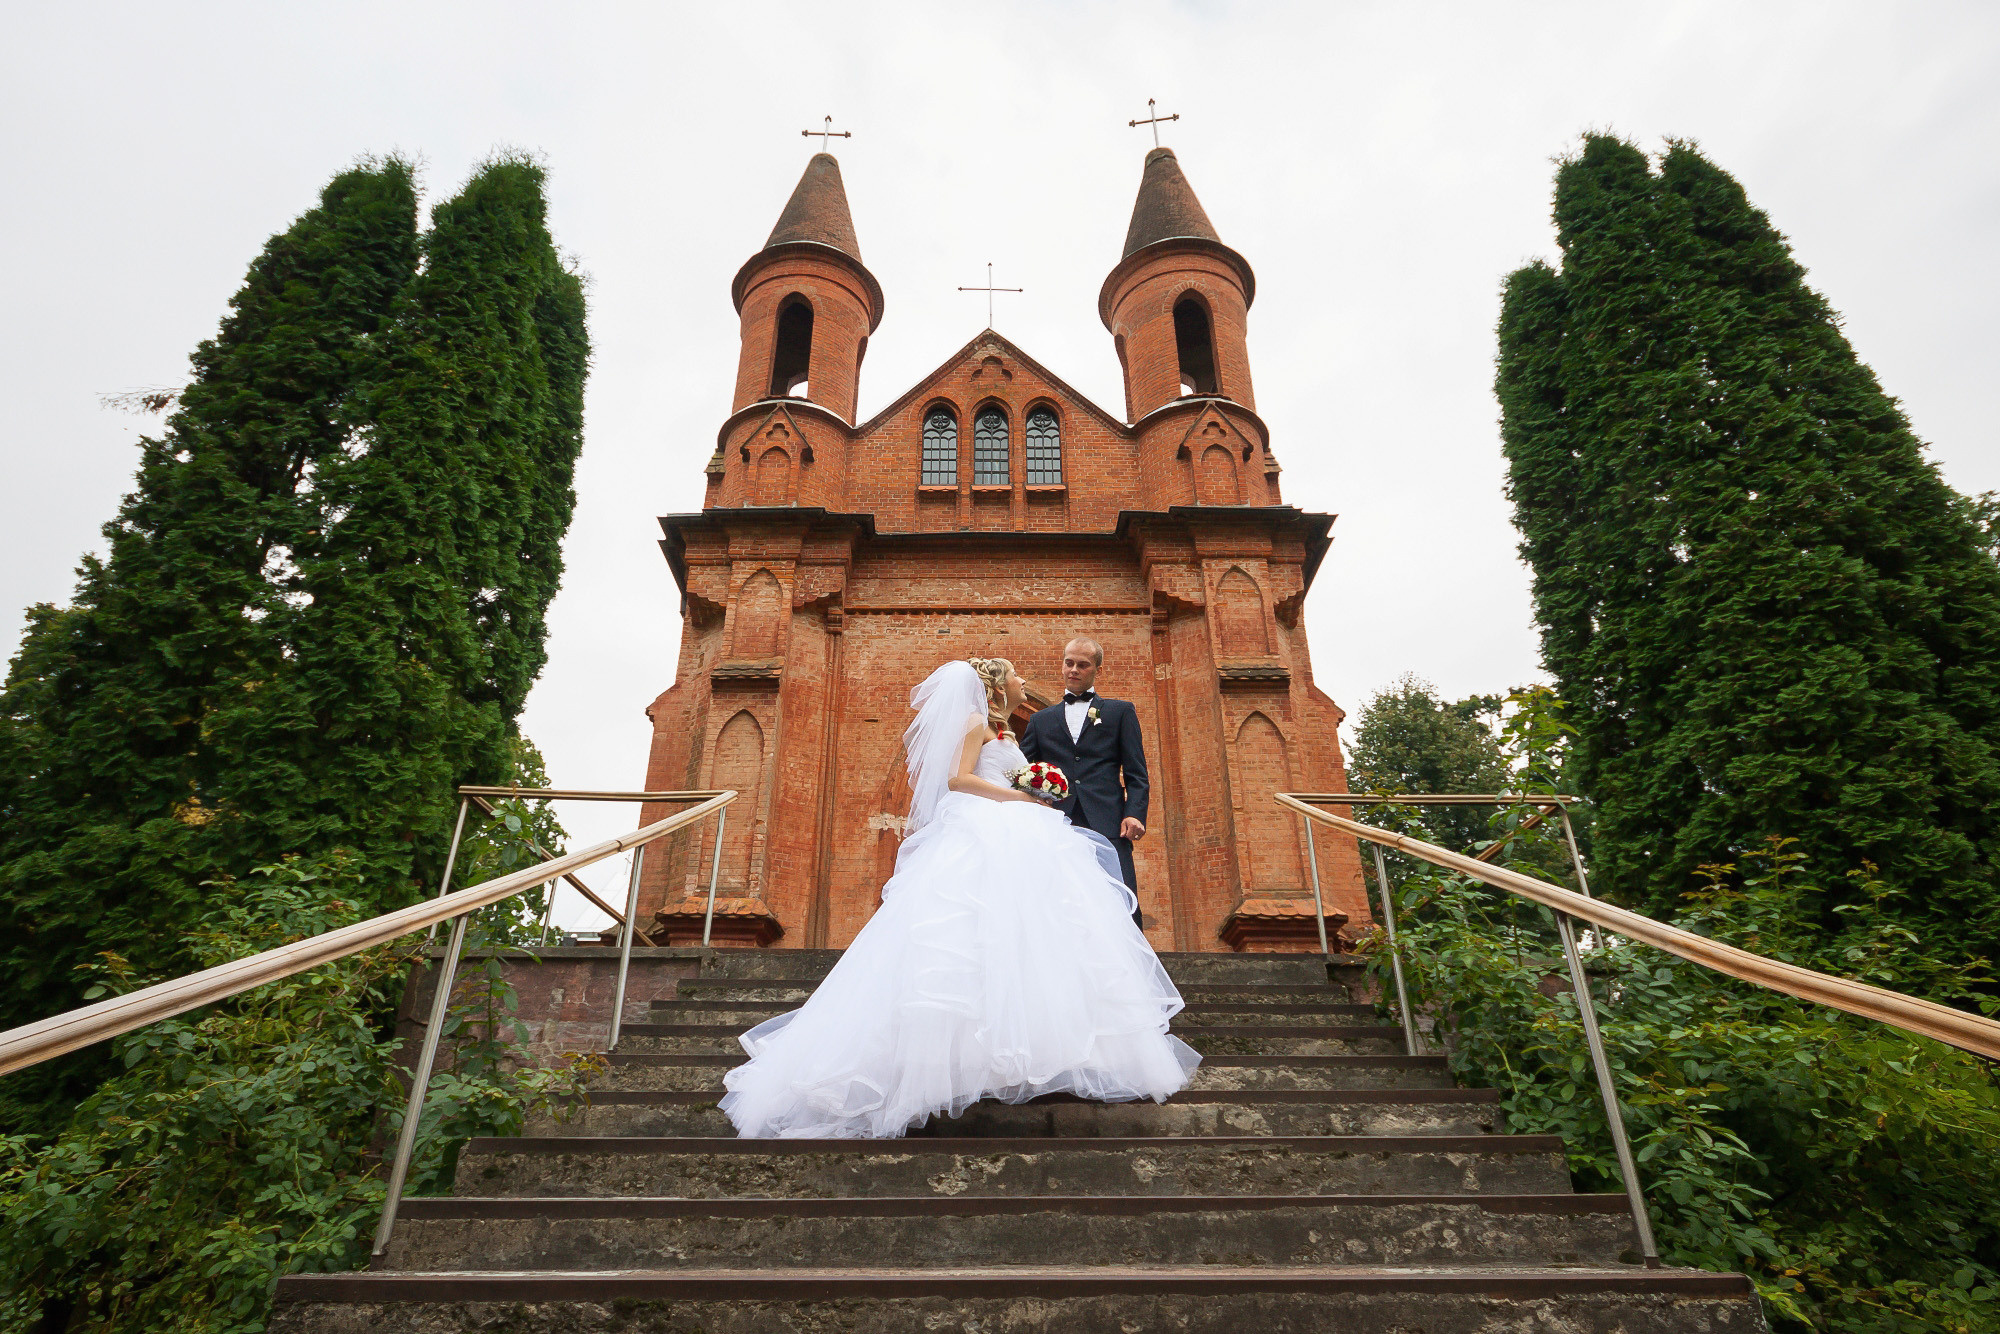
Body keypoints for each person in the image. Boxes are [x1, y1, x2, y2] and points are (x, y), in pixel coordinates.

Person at [719, 657, 1199, 1139]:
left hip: (1021, 833)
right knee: (968, 935)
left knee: (1034, 936)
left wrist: (1034, 787)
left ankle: (1026, 1053)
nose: (1024, 682)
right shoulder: (974, 723)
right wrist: (1022, 798)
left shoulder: (1008, 732)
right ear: (994, 685)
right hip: (988, 832)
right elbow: (957, 778)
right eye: (1016, 676)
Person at [1018, 636, 1150, 931]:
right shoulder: (1041, 720)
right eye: (1069, 663)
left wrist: (1134, 813)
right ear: (1062, 665)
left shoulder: (1120, 712)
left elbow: (1136, 772)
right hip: (1057, 822)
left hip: (1109, 819)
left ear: (1096, 670)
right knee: (1061, 896)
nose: (1074, 669)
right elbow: (1022, 771)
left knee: (1120, 894)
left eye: (1082, 664)